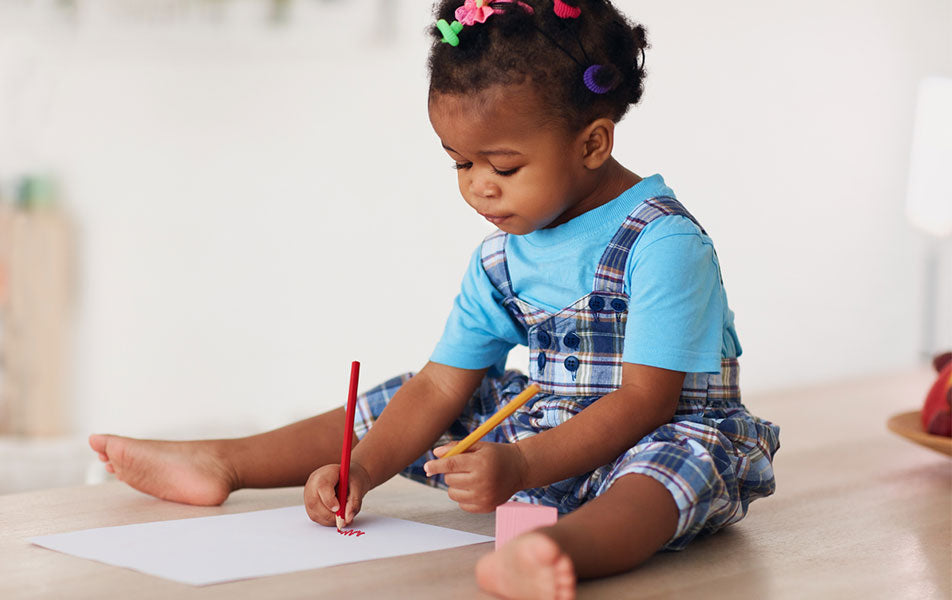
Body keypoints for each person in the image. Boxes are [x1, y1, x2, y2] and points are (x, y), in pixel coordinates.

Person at [89, 1, 780, 598]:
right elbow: (443, 383)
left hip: (656, 434)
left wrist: (521, 466)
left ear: (593, 142)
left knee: (664, 474)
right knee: (402, 396)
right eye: (460, 163)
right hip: (546, 435)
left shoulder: (663, 243)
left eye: (503, 166)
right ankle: (225, 463)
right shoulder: (502, 254)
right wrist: (361, 469)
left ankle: (555, 556)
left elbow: (644, 403)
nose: (479, 187)